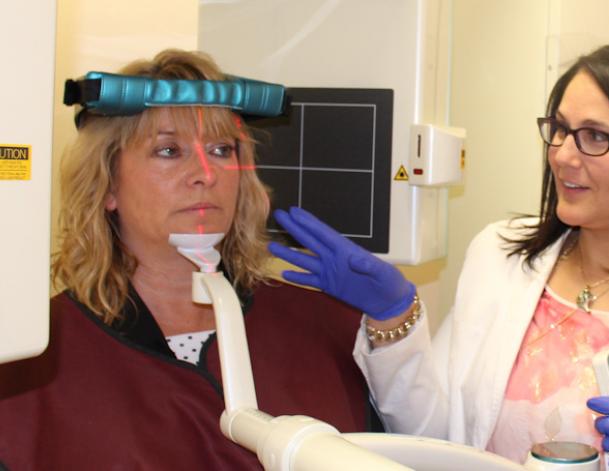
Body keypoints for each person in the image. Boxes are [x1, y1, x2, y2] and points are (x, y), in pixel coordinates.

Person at [268, 41, 609, 468]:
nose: (564, 155)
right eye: (561, 130)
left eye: (595, 137)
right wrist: (394, 318)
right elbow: (434, 439)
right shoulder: (499, 256)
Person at [0, 49, 382, 469]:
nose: (206, 172)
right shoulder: (33, 360)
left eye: (221, 149)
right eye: (168, 151)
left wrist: (397, 324)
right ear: (107, 186)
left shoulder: (327, 327)